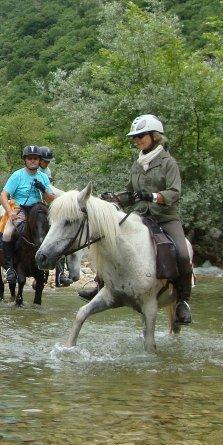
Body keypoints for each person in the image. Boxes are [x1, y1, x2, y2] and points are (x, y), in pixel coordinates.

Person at [79, 114, 193, 325]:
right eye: (135, 137)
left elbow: (175, 192)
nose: (137, 140)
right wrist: (115, 198)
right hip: (142, 216)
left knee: (183, 255)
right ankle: (101, 283)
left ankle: (182, 302)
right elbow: (131, 193)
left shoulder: (169, 163)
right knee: (109, 240)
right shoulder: (137, 164)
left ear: (154, 136)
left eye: (141, 136)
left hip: (166, 218)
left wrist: (152, 196)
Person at [0, 146, 57, 283]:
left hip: (38, 210)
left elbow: (49, 199)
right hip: (20, 209)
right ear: (25, 160)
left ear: (39, 160)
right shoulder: (17, 175)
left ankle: (58, 269)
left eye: (35, 158)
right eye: (29, 158)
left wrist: (42, 188)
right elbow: (3, 195)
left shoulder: (43, 176)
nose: (32, 161)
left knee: (56, 231)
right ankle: (9, 268)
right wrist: (10, 212)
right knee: (7, 233)